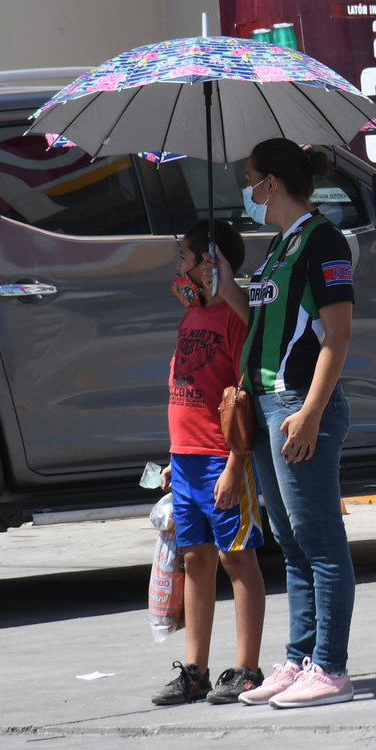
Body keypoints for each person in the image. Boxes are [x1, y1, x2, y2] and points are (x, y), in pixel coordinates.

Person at [214, 139, 357, 709]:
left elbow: (338, 333)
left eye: (250, 179)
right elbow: (266, 323)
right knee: (293, 544)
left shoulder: (323, 239)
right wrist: (225, 281)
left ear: (271, 182)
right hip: (272, 405)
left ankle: (332, 668)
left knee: (320, 540)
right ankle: (300, 660)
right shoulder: (280, 245)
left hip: (300, 407)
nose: (245, 190)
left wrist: (311, 413)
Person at [152, 220, 267, 706]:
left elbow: (242, 398)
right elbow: (184, 392)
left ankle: (247, 667)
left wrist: (234, 465)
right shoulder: (192, 314)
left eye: (184, 256)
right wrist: (172, 459)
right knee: (195, 559)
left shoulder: (233, 318)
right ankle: (194, 669)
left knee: (235, 557)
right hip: (185, 459)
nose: (178, 264)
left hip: (221, 459)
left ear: (209, 261)